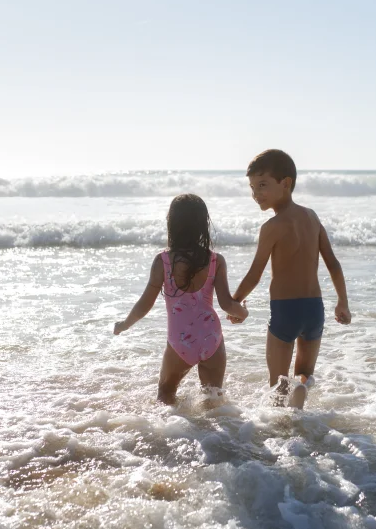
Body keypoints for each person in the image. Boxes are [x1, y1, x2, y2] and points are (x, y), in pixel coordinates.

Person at [229, 149, 351, 409]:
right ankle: (302, 389)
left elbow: (255, 273)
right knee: (304, 373)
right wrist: (342, 302)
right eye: (252, 188)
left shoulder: (271, 228)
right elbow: (333, 263)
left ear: (286, 184)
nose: (256, 194)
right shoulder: (312, 217)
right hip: (314, 309)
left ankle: (282, 435)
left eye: (263, 185)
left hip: (285, 310)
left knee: (278, 385)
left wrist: (235, 300)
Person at [114, 193, 248, 404]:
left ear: (172, 224)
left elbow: (145, 303)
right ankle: (224, 437)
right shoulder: (215, 260)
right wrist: (243, 312)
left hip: (180, 341)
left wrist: (125, 324)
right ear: (203, 224)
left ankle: (170, 434)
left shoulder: (164, 261)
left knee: (165, 394)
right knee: (214, 401)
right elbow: (226, 304)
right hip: (211, 337)